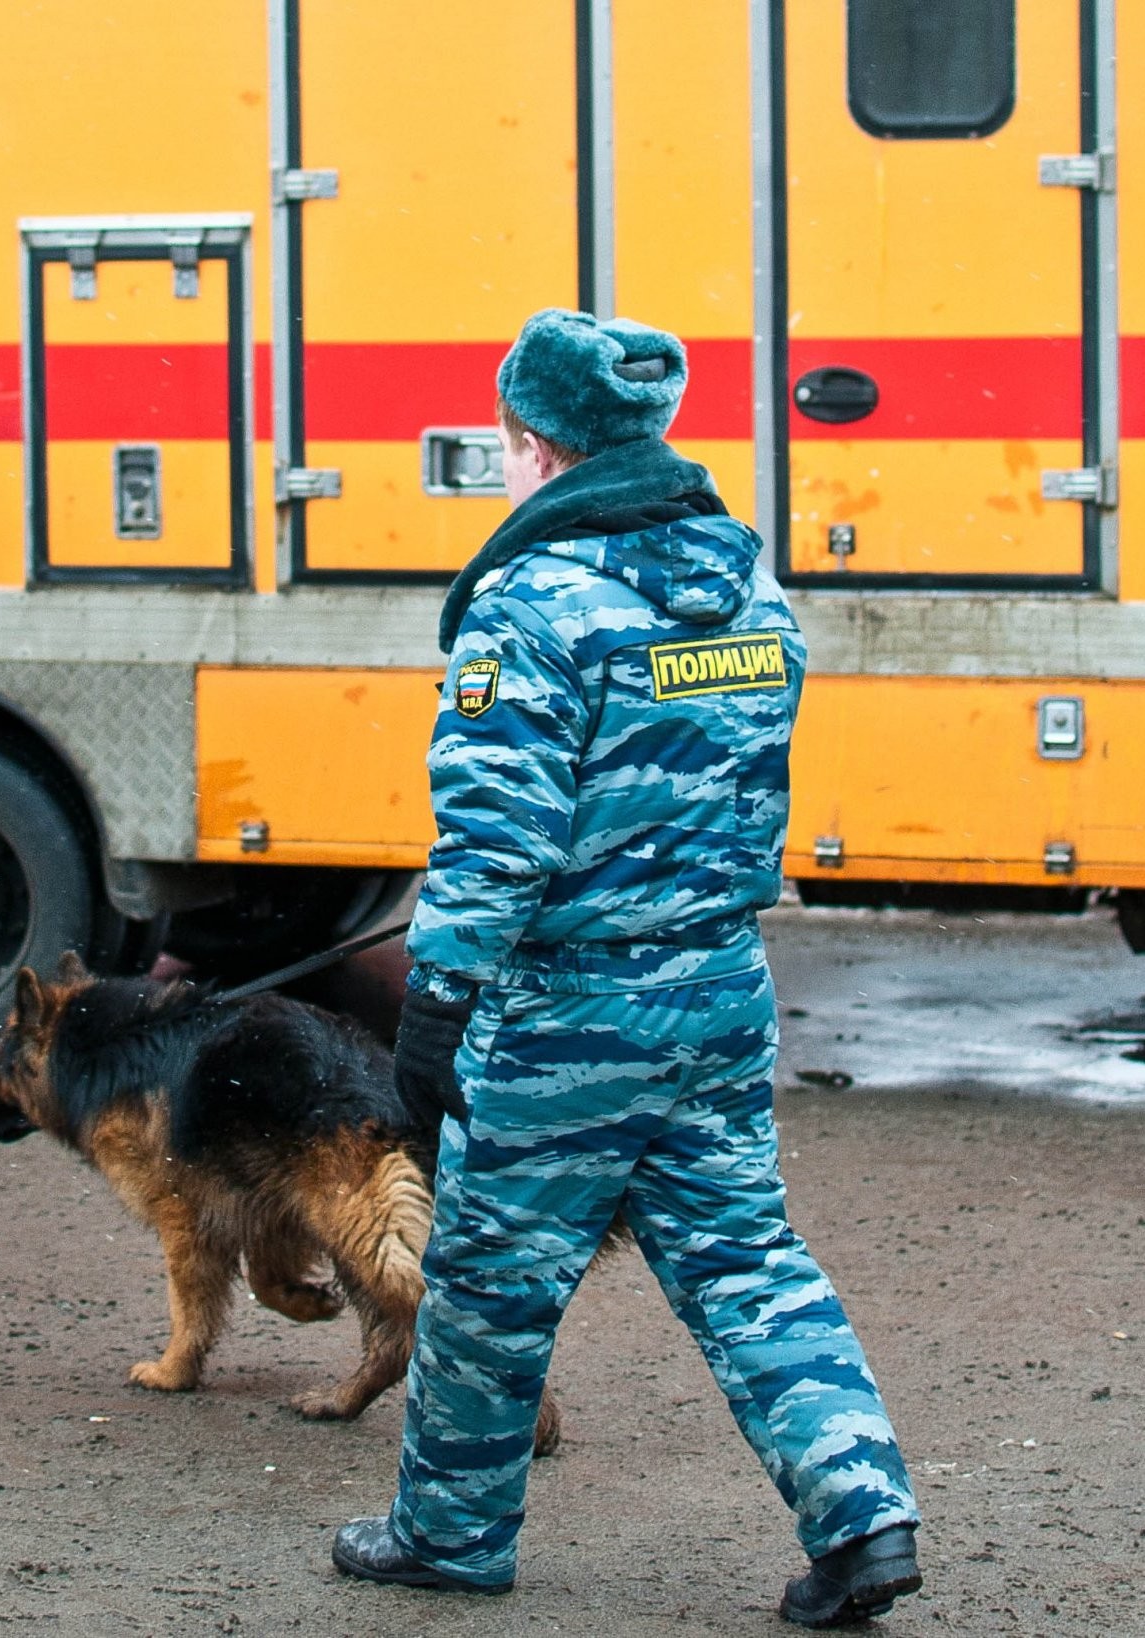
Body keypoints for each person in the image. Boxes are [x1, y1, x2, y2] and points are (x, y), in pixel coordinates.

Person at [334, 309, 922, 1626]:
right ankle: (861, 1511)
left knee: (487, 1273)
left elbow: (498, 834)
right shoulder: (744, 585)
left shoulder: (531, 603)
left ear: (533, 445)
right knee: (745, 1257)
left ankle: (445, 1531)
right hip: (715, 986)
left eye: (503, 441)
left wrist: (433, 1000)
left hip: (568, 1015)